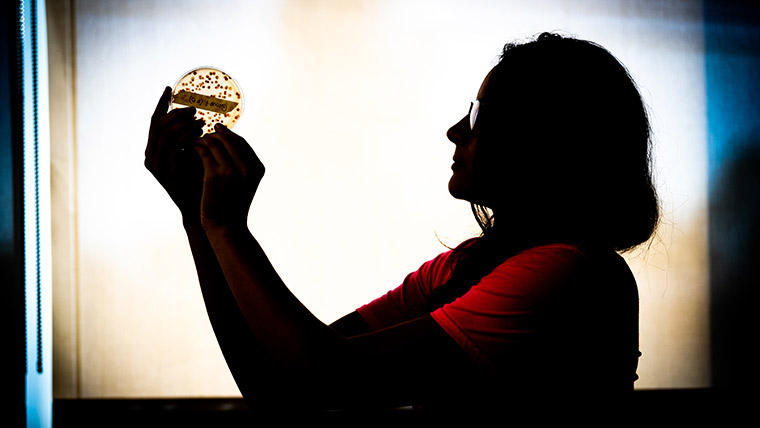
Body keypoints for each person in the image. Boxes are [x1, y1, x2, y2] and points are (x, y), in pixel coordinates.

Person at [144, 32, 659, 421]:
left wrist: (227, 229)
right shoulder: (464, 267)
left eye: (478, 117)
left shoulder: (567, 275)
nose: (456, 131)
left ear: (544, 142)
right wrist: (200, 219)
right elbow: (275, 386)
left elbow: (318, 377)